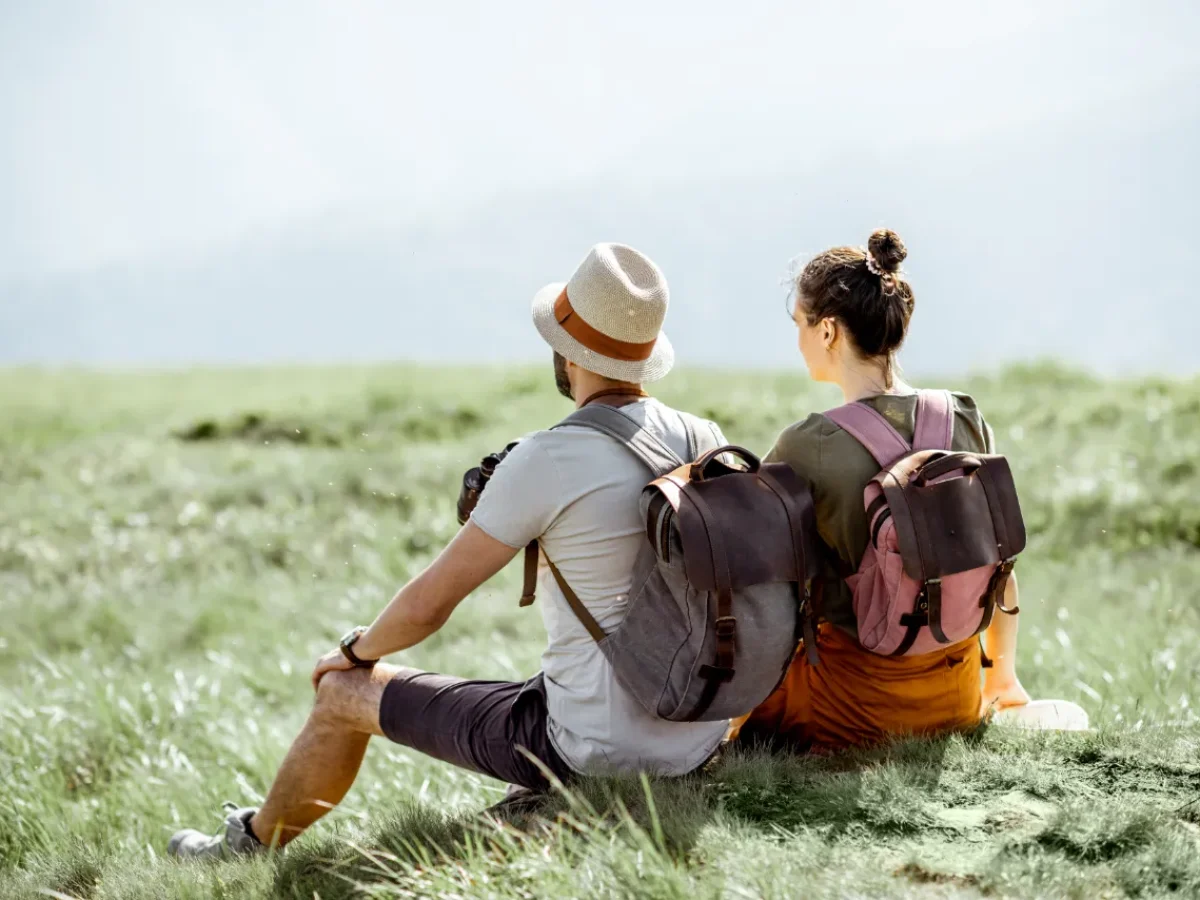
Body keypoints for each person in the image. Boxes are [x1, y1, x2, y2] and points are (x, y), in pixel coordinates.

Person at [168, 243, 730, 858]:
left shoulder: (548, 456)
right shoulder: (705, 438)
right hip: (692, 734)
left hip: (591, 747)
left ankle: (246, 847)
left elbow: (428, 606)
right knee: (541, 690)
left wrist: (353, 652)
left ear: (566, 353)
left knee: (342, 695)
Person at [735, 229, 1030, 754]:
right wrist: (1001, 682)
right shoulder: (964, 416)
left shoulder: (808, 444)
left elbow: (761, 590)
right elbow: (1000, 565)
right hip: (957, 693)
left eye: (800, 325)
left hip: (850, 708)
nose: (798, 340)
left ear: (827, 331)